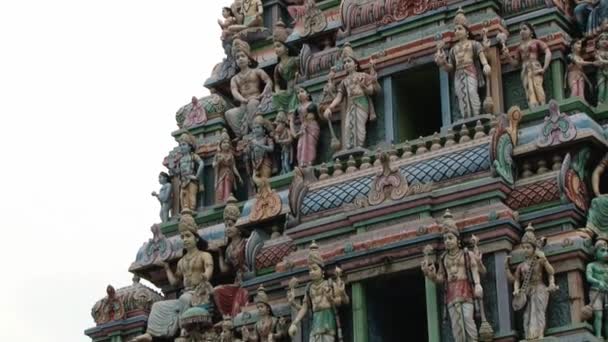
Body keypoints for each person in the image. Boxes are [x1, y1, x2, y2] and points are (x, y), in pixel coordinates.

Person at [129, 213, 214, 342]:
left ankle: (184, 331)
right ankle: (150, 333)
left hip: (200, 293)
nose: (185, 239)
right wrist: (167, 268)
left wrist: (205, 277)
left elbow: (209, 268)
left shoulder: (204, 255)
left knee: (184, 299)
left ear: (196, 238)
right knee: (158, 306)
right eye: (182, 237)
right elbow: (174, 283)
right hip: (185, 296)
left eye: (188, 236)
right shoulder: (181, 262)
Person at [421, 210, 485, 342]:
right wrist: (430, 274)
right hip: (451, 294)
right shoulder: (443, 259)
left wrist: (478, 284)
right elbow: (440, 278)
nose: (447, 241)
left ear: (457, 239)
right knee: (456, 326)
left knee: (468, 319)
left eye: (450, 238)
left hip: (465, 290)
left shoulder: (467, 254)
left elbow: (475, 270)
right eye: (445, 239)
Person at [435, 9, 491, 118]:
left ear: (467, 32)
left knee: (471, 92)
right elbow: (451, 67)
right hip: (458, 74)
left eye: (459, 29)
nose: (456, 31)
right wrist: (443, 63)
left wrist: (485, 65)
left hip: (470, 71)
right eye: (455, 29)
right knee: (461, 95)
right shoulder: (453, 49)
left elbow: (481, 55)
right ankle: (466, 118)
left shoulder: (474, 44)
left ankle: (476, 116)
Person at [323, 43, 380, 150]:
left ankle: (359, 146)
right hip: (350, 105)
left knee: (360, 127)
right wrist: (330, 108)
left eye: (349, 61)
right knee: (348, 126)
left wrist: (365, 88)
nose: (346, 64)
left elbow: (373, 89)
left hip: (362, 103)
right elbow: (339, 97)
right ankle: (351, 148)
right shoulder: (344, 82)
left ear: (355, 64)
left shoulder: (363, 76)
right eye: (344, 62)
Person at [288, 242, 349, 342]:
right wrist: (295, 322)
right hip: (315, 324)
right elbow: (305, 308)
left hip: (327, 322)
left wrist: (331, 298)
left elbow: (341, 302)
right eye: (310, 270)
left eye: (314, 269)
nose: (311, 272)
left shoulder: (329, 284)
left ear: (322, 271)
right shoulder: (309, 288)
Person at [508, 224, 558, 340]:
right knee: (527, 316)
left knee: (539, 312)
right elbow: (516, 280)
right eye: (524, 247)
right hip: (526, 291)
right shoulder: (521, 266)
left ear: (534, 248)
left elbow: (551, 272)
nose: (526, 250)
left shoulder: (539, 261)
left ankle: (540, 335)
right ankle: (528, 336)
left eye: (528, 247)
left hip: (540, 288)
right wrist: (516, 290)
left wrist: (545, 261)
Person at [225, 39, 273, 138]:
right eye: (237, 57)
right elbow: (234, 91)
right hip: (243, 103)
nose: (240, 59)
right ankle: (242, 135)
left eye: (243, 56)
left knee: (252, 104)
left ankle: (253, 131)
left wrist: (263, 94)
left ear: (249, 59)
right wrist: (243, 99)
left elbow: (268, 81)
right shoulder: (235, 78)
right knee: (229, 113)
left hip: (256, 100)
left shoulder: (256, 71)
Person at [502, 22, 552, 108]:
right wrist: (507, 56)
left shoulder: (536, 42)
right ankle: (533, 106)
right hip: (525, 69)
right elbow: (515, 64)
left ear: (531, 32)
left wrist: (544, 68)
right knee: (529, 89)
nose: (522, 31)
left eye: (524, 29)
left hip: (535, 66)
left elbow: (548, 52)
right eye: (520, 30)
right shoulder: (519, 47)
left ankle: (542, 105)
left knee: (538, 86)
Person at [213, 130, 243, 204]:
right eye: (224, 143)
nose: (226, 144)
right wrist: (218, 162)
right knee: (220, 189)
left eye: (227, 143)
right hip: (220, 174)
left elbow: (234, 167)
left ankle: (227, 202)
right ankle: (220, 204)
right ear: (220, 144)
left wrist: (239, 177)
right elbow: (214, 165)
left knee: (227, 190)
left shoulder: (231, 155)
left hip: (229, 175)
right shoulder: (218, 155)